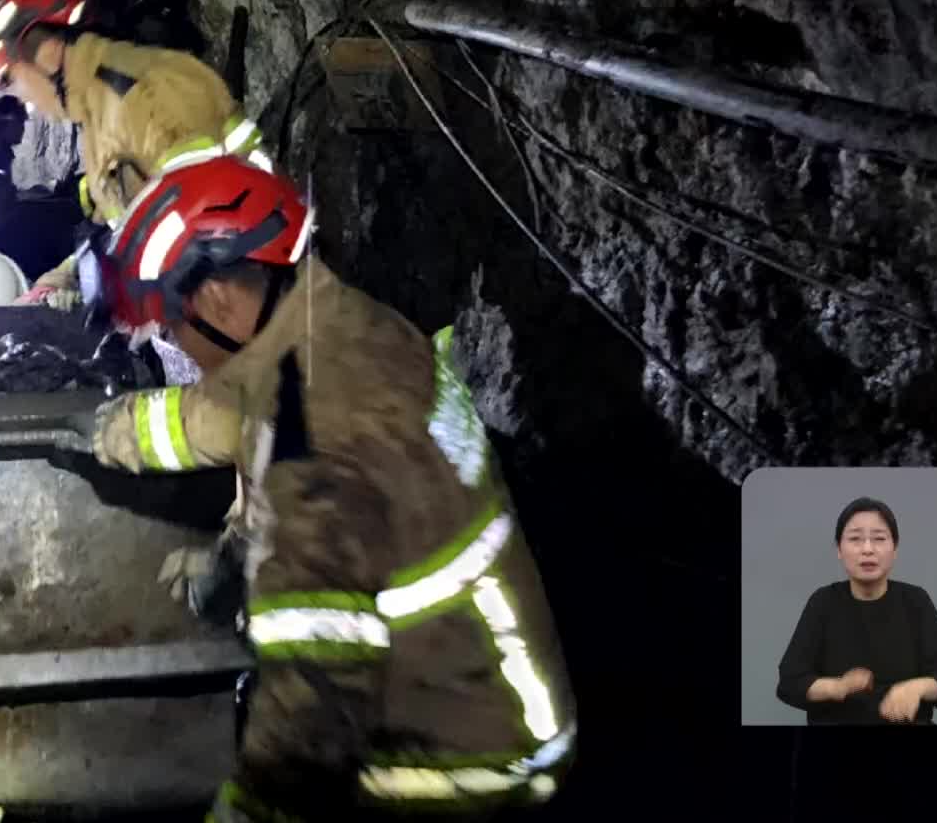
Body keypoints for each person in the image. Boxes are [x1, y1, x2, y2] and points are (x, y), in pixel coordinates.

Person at [67, 155, 576, 818]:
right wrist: (111, 433)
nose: (179, 346)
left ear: (219, 298)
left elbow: (310, 711)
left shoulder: (315, 437)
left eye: (172, 323)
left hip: (461, 751)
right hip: (489, 677)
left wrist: (247, 812)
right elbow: (226, 418)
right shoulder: (333, 322)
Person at [0, 0, 272, 309]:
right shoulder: (100, 115)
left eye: (17, 81)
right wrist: (65, 274)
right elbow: (114, 225)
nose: (25, 99)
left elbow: (205, 236)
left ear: (49, 53)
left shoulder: (148, 102)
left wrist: (104, 293)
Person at [775, 497, 937, 725]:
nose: (867, 549)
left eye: (879, 539)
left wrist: (916, 688)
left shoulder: (915, 600)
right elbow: (789, 682)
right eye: (855, 539)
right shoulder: (823, 602)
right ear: (839, 549)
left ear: (894, 549)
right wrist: (838, 687)